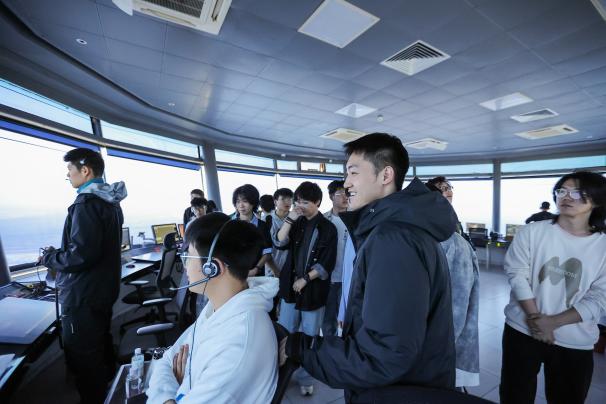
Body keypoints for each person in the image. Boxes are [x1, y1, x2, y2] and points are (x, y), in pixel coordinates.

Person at [281, 133, 458, 403]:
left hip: (396, 393)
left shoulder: (394, 238)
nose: (346, 183)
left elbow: (384, 354)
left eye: (354, 172)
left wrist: (302, 348)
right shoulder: (398, 229)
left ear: (386, 175)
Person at [146, 213, 279, 404]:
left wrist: (171, 393)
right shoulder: (221, 307)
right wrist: (172, 392)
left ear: (213, 267)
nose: (185, 266)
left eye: (188, 257)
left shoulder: (237, 347)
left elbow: (166, 370)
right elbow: (167, 360)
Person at [500, 171, 606, 404]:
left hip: (574, 338)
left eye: (577, 192)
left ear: (597, 200)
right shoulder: (532, 232)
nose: (566, 196)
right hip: (521, 329)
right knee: (514, 394)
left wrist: (553, 323)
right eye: (562, 190)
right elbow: (517, 275)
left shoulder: (602, 246)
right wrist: (537, 319)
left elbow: (601, 297)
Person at [41, 147, 126, 404]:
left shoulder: (86, 204)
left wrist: (50, 258)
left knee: (83, 358)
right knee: (99, 346)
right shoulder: (110, 201)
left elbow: (80, 256)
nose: (68, 175)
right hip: (101, 290)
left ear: (85, 170)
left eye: (70, 169)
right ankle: (111, 393)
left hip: (83, 296)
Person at [276, 181, 337, 396]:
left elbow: (328, 261)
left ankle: (305, 378)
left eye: (305, 202)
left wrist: (306, 279)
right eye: (298, 201)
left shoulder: (327, 227)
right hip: (290, 290)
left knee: (309, 337)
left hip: (313, 291)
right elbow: (279, 242)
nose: (300, 206)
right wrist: (290, 219)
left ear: (317, 202)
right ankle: (281, 374)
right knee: (285, 333)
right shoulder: (296, 223)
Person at [426, 182, 480, 389]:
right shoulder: (422, 238)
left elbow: (457, 309)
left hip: (442, 350)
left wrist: (439, 349)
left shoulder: (456, 244)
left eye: (449, 189)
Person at [322, 180, 349, 337]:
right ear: (331, 196)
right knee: (329, 319)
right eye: (340, 194)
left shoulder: (356, 218)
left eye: (347, 193)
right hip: (330, 278)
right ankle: (328, 347)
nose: (345, 197)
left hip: (350, 277)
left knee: (349, 319)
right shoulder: (324, 220)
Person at [232, 184, 273, 277]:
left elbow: (267, 252)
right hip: (235, 274)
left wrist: (256, 269)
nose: (241, 205)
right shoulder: (231, 225)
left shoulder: (262, 226)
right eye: (238, 202)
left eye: (245, 201)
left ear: (253, 202)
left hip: (257, 274)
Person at [427, 176, 472, 244]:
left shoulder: (450, 213)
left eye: (449, 188)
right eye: (443, 188)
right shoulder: (432, 217)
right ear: (433, 194)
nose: (449, 191)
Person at [267, 188, 294, 277]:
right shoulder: (267, 220)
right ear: (275, 202)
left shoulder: (296, 219)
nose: (287, 202)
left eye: (290, 199)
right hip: (271, 269)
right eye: (283, 199)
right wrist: (274, 269)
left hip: (291, 268)